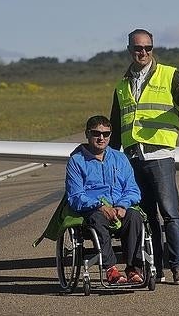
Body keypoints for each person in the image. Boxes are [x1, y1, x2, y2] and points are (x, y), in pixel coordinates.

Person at [109, 28, 179, 285]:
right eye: (138, 48)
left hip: (159, 155)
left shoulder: (170, 75)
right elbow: (116, 128)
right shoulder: (121, 85)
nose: (143, 52)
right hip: (132, 158)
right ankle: (156, 267)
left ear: (153, 49)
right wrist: (110, 159)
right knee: (147, 215)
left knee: (170, 212)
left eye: (148, 48)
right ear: (130, 50)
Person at [65, 115, 144, 285]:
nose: (101, 138)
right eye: (96, 133)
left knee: (135, 217)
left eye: (106, 134)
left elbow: (132, 188)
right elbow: (75, 196)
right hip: (94, 210)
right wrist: (100, 205)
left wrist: (123, 205)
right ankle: (111, 269)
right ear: (87, 134)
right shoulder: (76, 161)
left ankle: (133, 268)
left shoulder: (120, 158)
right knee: (98, 218)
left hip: (119, 206)